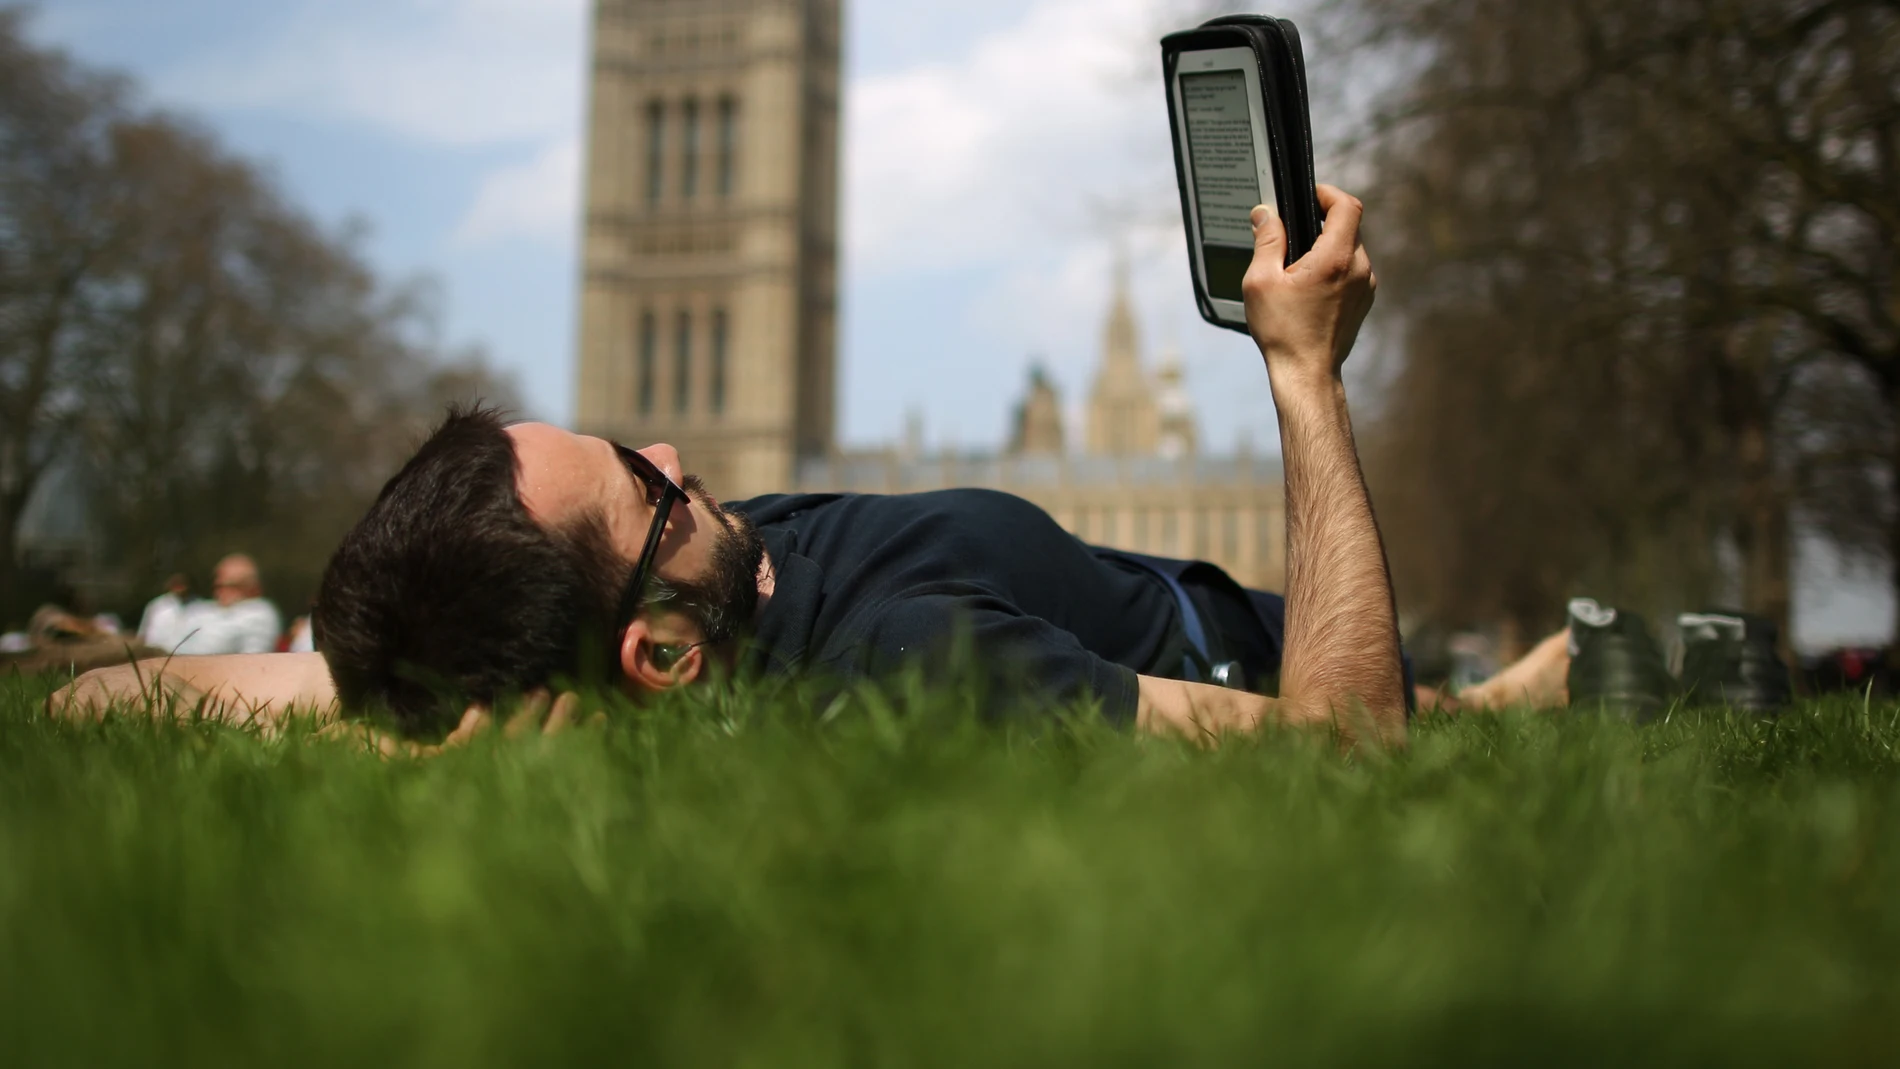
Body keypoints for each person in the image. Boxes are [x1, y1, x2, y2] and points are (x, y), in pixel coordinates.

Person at [51, 188, 1568, 741]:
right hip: (1241, 642)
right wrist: (1302, 371)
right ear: (659, 649)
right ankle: (1498, 703)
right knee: (1461, 709)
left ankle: (1498, 695)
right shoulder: (918, 668)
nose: (672, 450)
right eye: (644, 488)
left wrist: (381, 688)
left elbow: (100, 702)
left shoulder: (541, 644)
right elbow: (1340, 757)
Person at [158, 555, 283, 656]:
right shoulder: (201, 609)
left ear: (253, 589)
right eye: (218, 585)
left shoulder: (259, 612)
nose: (220, 591)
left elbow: (254, 662)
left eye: (231, 585)